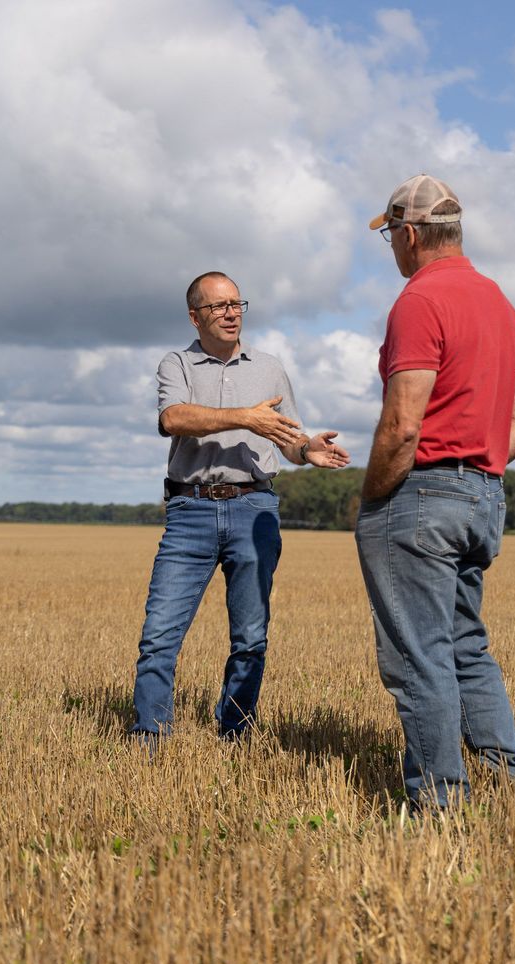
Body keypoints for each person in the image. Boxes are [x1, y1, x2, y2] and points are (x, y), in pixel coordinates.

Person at [355, 175, 515, 810]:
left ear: (410, 234)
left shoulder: (419, 301)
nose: (392, 250)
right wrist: (482, 465)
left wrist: (375, 497)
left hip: (421, 497)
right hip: (483, 498)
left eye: (390, 238)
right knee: (465, 643)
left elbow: (404, 421)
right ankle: (506, 784)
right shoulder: (498, 301)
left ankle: (440, 803)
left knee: (418, 655)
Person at [131, 271, 349, 744]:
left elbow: (287, 439)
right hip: (190, 511)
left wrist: (307, 449)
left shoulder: (269, 368)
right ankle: (149, 737)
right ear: (195, 317)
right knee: (158, 637)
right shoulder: (177, 364)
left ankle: (236, 731)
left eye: (236, 304)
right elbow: (173, 418)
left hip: (255, 509)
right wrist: (245, 417)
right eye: (218, 307)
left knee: (250, 638)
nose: (231, 313)